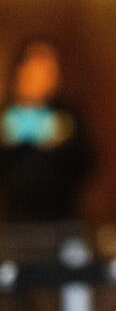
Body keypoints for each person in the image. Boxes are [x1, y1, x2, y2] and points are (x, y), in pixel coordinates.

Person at [0, 40, 92, 222]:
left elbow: (87, 163)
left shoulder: (67, 115)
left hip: (61, 218)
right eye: (37, 68)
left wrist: (63, 143)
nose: (44, 77)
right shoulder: (5, 114)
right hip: (14, 221)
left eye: (50, 70)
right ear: (21, 70)